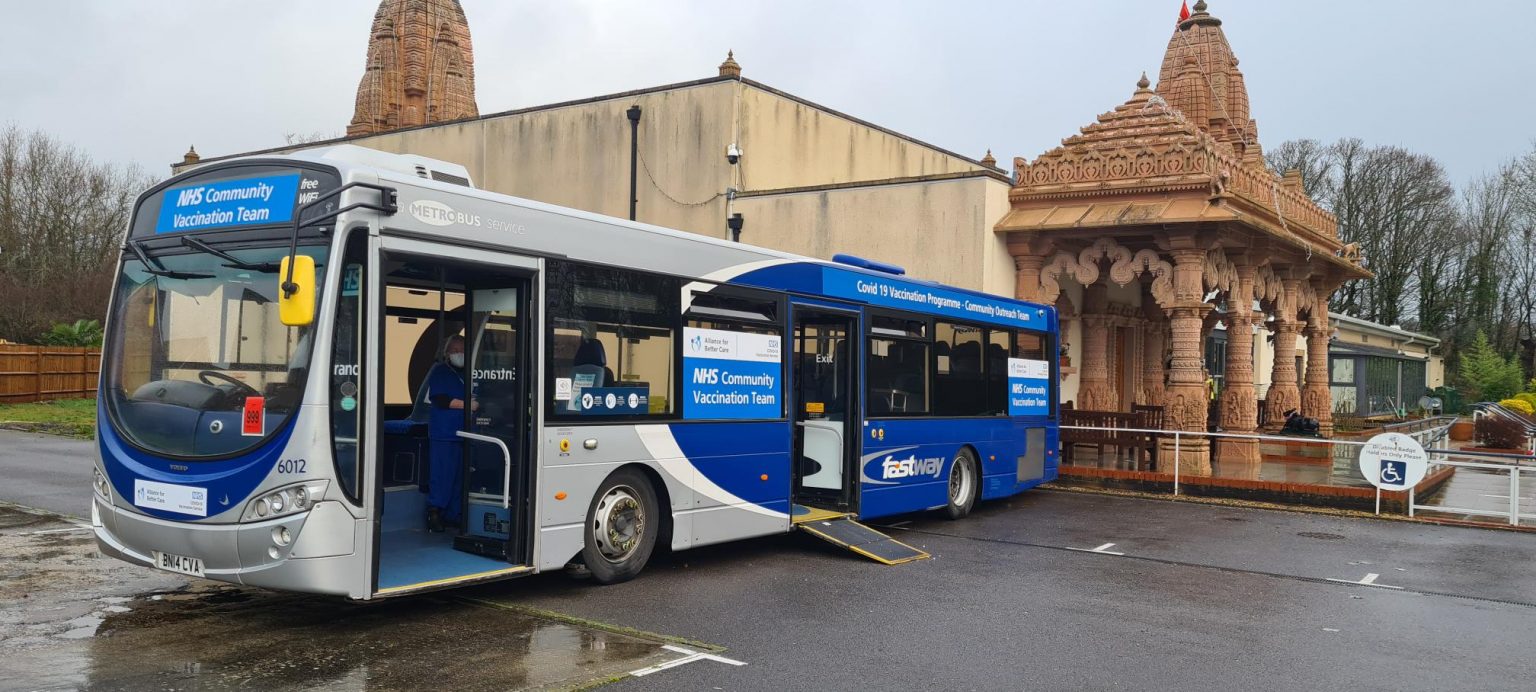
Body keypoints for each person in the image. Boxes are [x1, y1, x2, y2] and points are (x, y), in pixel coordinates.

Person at [425, 335, 471, 532]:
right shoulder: (440, 372)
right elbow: (441, 399)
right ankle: (435, 513)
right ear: (447, 353)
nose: (459, 354)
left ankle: (454, 515)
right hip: (444, 433)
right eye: (455, 351)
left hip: (465, 434)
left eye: (462, 350)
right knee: (442, 475)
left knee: (459, 478)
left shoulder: (468, 373)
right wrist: (468, 405)